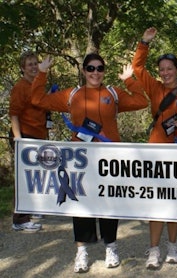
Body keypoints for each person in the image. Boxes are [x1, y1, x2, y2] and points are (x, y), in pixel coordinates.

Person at [31, 53, 149, 273]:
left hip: (109, 158)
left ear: (104, 71)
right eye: (91, 68)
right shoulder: (72, 94)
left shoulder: (113, 94)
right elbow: (37, 100)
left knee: (109, 202)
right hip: (80, 160)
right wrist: (42, 72)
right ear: (84, 71)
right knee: (81, 204)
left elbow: (142, 101)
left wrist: (128, 80)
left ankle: (111, 247)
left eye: (100, 68)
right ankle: (81, 252)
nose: (95, 73)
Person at [132, 27, 177, 270]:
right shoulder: (154, 88)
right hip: (156, 152)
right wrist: (144, 43)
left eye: (169, 69)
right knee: (156, 204)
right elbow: (138, 69)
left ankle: (172, 246)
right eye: (162, 69)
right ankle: (153, 250)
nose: (165, 73)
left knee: (175, 203)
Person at [9, 51, 46, 232]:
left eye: (35, 63)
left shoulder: (39, 85)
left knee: (35, 176)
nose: (33, 67)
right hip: (24, 135)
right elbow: (14, 114)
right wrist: (18, 139)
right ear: (23, 68)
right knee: (23, 178)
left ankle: (32, 209)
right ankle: (20, 219)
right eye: (29, 64)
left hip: (39, 135)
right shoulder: (20, 87)